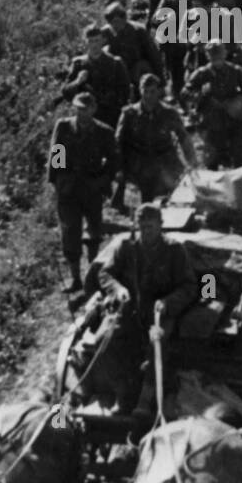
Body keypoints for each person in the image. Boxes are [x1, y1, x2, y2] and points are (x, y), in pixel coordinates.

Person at [90, 202, 200, 420]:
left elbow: (190, 286)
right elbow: (105, 274)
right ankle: (123, 393)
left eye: (151, 226)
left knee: (156, 343)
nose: (146, 232)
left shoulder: (174, 251)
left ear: (161, 225)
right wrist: (118, 289)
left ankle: (145, 400)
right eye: (142, 227)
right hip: (129, 311)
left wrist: (168, 302)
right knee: (102, 340)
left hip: (160, 315)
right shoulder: (126, 247)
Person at [47, 91, 118, 293]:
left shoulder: (104, 132)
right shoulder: (64, 127)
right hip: (68, 188)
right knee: (70, 232)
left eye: (85, 109)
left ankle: (93, 275)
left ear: (93, 109)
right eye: (78, 109)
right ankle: (76, 278)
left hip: (91, 187)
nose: (81, 113)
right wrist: (57, 182)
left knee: (94, 232)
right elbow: (56, 154)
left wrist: (103, 181)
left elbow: (113, 162)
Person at [115, 73, 196, 207]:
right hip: (139, 161)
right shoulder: (129, 113)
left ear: (159, 91)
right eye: (144, 91)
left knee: (177, 195)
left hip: (165, 159)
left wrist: (192, 163)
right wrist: (119, 167)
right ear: (139, 90)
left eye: (152, 91)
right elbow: (118, 141)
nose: (148, 95)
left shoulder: (169, 113)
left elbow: (183, 138)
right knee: (144, 201)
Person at [183, 39, 242, 169]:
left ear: (225, 54)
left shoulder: (236, 71)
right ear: (208, 56)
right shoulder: (201, 74)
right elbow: (185, 93)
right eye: (213, 55)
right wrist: (201, 94)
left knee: (241, 157)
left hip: (234, 119)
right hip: (211, 122)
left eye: (219, 55)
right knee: (211, 161)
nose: (217, 59)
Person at [61, 24, 132, 131]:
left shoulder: (115, 63)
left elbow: (126, 91)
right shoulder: (78, 64)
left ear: (103, 40)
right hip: (86, 118)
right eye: (90, 41)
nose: (94, 45)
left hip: (111, 116)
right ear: (86, 42)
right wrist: (77, 82)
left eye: (97, 40)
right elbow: (66, 92)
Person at [101, 2, 164, 86]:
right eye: (111, 23)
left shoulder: (138, 30)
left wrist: (161, 80)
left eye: (117, 22)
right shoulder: (104, 33)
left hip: (137, 70)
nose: (114, 25)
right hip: (118, 71)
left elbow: (153, 55)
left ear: (124, 19)